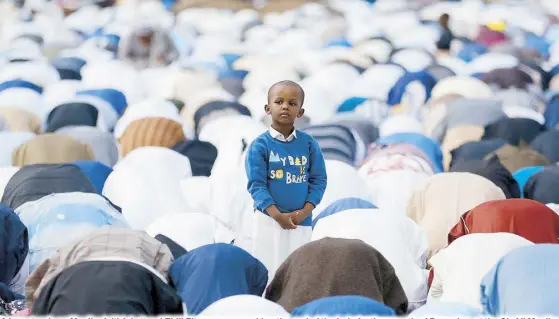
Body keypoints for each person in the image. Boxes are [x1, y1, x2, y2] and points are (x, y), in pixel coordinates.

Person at [245, 80, 327, 278]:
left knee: (300, 273)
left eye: (292, 103)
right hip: (268, 220)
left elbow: (318, 180)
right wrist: (277, 215)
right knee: (268, 272)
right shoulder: (260, 145)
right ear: (267, 108)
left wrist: (306, 211)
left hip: (301, 221)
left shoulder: (308, 143)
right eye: (279, 102)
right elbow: (256, 185)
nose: (285, 107)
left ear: (300, 112)